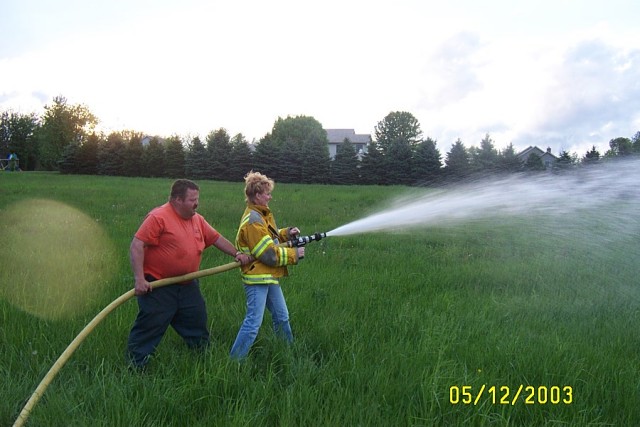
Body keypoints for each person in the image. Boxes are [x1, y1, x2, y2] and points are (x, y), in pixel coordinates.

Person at [126, 179, 252, 369]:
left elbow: (215, 238)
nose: (197, 203)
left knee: (196, 318)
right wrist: (139, 279)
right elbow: (137, 246)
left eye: (197, 199)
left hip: (187, 284)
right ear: (177, 200)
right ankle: (136, 365)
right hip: (159, 285)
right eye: (192, 199)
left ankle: (203, 357)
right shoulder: (158, 217)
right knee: (151, 324)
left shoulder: (197, 219)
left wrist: (237, 253)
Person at [230, 171, 305, 360]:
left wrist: (287, 233)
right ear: (257, 195)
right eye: (267, 193)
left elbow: (270, 237)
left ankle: (288, 353)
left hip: (268, 276)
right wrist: (294, 254)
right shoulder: (253, 221)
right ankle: (235, 361)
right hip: (257, 278)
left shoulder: (260, 215)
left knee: (282, 316)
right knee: (253, 323)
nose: (270, 196)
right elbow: (268, 254)